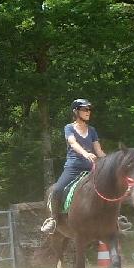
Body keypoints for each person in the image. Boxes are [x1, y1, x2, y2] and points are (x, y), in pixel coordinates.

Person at [41, 98, 107, 234]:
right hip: (73, 168)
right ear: (76, 111)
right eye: (84, 109)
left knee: (108, 186)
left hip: (91, 168)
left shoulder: (92, 130)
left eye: (89, 109)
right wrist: (86, 153)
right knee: (57, 189)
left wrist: (109, 161)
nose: (88, 112)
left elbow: (99, 150)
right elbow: (73, 143)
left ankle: (115, 218)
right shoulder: (69, 128)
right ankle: (53, 219)